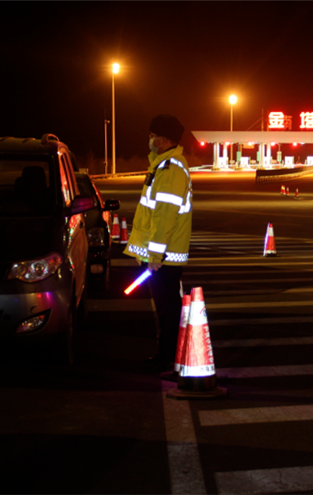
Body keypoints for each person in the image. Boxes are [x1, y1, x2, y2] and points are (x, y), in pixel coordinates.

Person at [124, 114, 192, 373]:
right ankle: (167, 354)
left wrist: (154, 256)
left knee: (168, 308)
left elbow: (164, 216)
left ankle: (168, 356)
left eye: (152, 136)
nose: (149, 140)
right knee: (165, 306)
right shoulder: (162, 166)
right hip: (162, 255)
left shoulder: (170, 169)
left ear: (163, 140)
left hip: (164, 257)